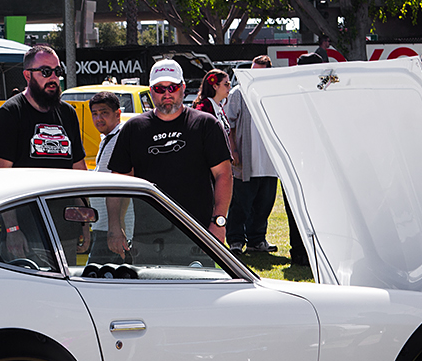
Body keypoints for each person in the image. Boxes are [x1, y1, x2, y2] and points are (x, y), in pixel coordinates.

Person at [106, 57, 232, 246]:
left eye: (172, 87)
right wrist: (115, 227)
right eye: (160, 88)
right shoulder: (134, 128)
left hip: (198, 233)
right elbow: (119, 183)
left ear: (182, 88)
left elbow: (224, 174)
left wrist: (218, 222)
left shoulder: (206, 124)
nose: (167, 93)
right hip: (148, 237)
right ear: (151, 92)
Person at [0, 45, 86, 169]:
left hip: (62, 188)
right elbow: (2, 171)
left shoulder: (68, 113)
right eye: (45, 72)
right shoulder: (10, 113)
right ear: (28, 76)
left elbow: (79, 168)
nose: (53, 78)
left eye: (57, 71)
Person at [224, 55, 279, 254]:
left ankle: (257, 240)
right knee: (240, 204)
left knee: (265, 204)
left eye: (259, 71)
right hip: (246, 161)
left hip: (271, 163)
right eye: (252, 70)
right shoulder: (239, 93)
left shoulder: (275, 94)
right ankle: (236, 241)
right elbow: (227, 125)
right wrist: (234, 150)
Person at [86, 90, 133, 262]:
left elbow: (121, 187)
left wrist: (116, 227)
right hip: (105, 225)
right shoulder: (108, 138)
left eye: (104, 113)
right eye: (95, 114)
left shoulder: (120, 139)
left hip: (115, 229)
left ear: (117, 114)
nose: (98, 118)